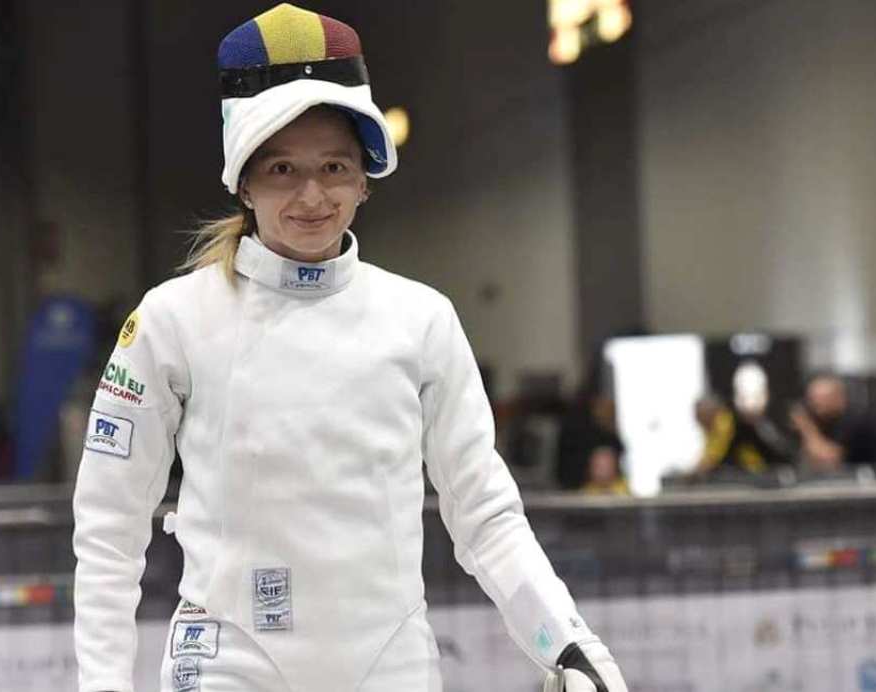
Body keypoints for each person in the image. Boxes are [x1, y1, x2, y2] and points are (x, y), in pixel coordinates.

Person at [71, 5, 628, 692]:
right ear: (244, 181)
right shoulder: (172, 321)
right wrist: (102, 683)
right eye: (282, 168)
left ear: (364, 178)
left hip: (389, 667)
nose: (312, 194)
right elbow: (109, 527)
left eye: (334, 166)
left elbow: (485, 514)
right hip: (227, 666)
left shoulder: (420, 320)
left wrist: (569, 646)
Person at [790, 373, 876, 472]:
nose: (815, 404)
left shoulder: (855, 420)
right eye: (812, 399)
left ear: (839, 397)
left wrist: (806, 427)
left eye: (822, 398)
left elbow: (829, 460)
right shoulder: (823, 421)